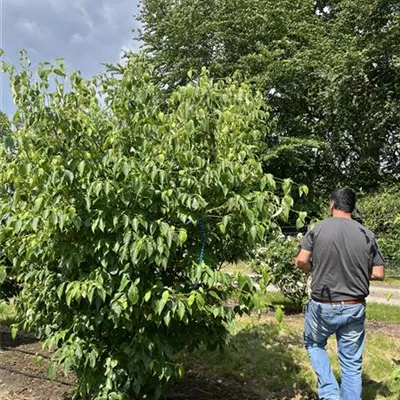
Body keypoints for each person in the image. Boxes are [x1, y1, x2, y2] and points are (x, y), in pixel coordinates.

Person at [295, 188, 384, 400]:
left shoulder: (318, 229)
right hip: (354, 305)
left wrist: (314, 268)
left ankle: (329, 393)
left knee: (314, 343)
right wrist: (357, 272)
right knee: (352, 363)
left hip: (322, 305)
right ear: (352, 207)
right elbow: (379, 273)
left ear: (331, 204)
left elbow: (300, 261)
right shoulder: (367, 234)